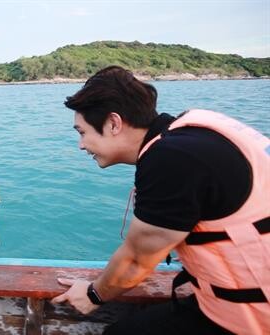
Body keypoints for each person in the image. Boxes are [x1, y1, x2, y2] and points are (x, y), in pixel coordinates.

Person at [52, 66, 269, 334]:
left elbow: (136, 261)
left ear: (114, 123)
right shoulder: (190, 133)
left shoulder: (171, 159)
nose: (81, 145)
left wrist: (93, 294)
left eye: (82, 132)